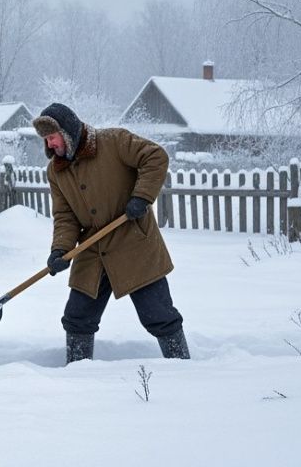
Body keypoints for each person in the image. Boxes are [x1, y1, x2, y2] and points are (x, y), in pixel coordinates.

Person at [31, 103, 190, 363]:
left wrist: (142, 196)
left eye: (52, 137)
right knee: (77, 317)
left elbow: (155, 156)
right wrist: (60, 249)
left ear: (67, 132)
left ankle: (183, 367)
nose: (50, 145)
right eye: (46, 140)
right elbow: (65, 215)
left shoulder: (113, 141)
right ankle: (77, 373)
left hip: (133, 242)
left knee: (158, 315)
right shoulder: (57, 171)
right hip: (93, 250)